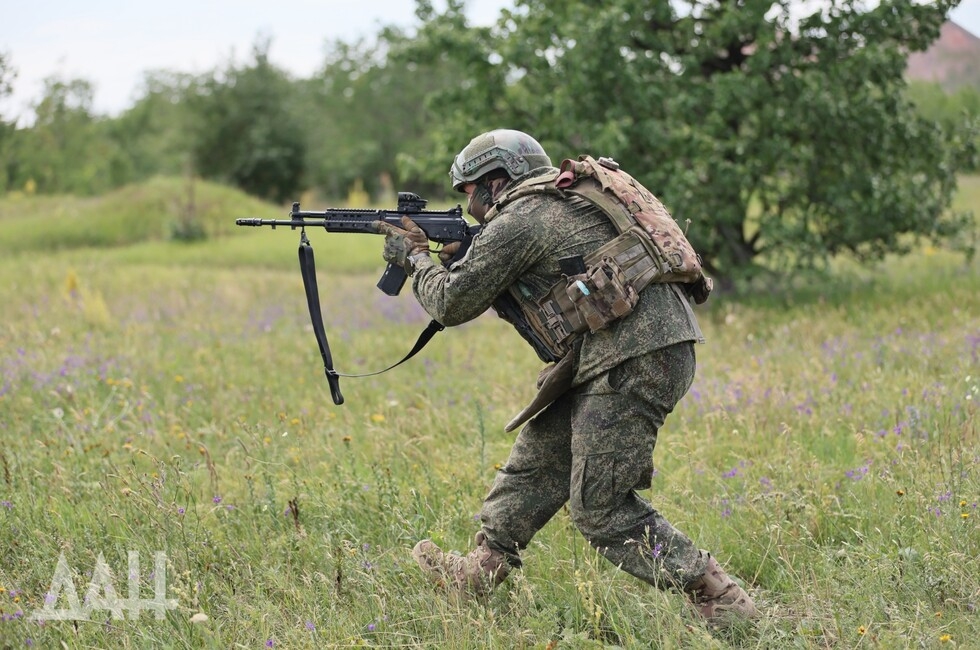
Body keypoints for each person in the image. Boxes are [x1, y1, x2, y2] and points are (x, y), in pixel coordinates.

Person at [375, 129, 759, 624]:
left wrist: (414, 258)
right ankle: (477, 573)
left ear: (497, 179)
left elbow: (450, 303)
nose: (469, 203)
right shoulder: (558, 202)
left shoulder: (521, 218)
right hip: (626, 351)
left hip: (632, 357)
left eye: (470, 190)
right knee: (539, 460)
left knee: (600, 510)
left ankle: (722, 599)